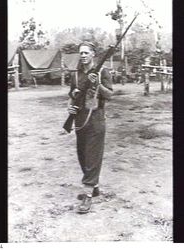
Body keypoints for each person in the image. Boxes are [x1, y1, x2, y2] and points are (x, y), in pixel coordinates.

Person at [67, 41, 113, 214]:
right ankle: (94, 187)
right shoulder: (76, 75)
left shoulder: (103, 71)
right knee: (83, 155)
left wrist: (97, 84)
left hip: (96, 118)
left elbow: (110, 95)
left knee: (93, 156)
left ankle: (87, 194)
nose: (83, 55)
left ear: (93, 54)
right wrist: (70, 106)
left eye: (86, 52)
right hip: (80, 119)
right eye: (81, 53)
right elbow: (72, 94)